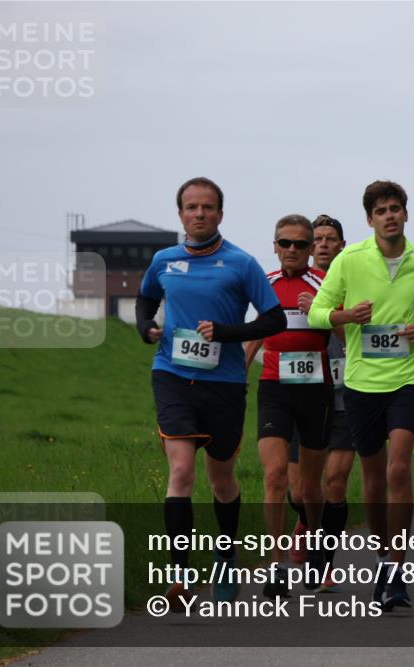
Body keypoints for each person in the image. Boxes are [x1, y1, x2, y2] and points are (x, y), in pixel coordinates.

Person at [135, 177, 286, 606]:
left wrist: (227, 332)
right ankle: (180, 573)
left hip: (224, 384)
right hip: (172, 375)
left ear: (220, 214)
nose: (199, 214)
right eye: (191, 207)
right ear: (180, 213)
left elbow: (273, 320)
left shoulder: (241, 263)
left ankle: (226, 554)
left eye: (207, 207)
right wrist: (146, 328)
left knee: (221, 480)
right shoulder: (164, 259)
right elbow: (145, 301)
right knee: (180, 473)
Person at [308, 181, 414, 610]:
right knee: (372, 481)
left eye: (396, 208)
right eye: (381, 210)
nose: (389, 215)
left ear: (406, 214)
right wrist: (344, 314)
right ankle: (382, 559)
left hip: (408, 380)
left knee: (397, 470)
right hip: (361, 382)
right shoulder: (350, 260)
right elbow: (319, 312)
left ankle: (397, 570)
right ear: (370, 219)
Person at [244, 214, 334, 597]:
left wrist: (319, 309)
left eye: (300, 244)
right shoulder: (265, 284)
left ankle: (316, 549)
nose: (292, 250)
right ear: (275, 246)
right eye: (285, 243)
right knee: (275, 476)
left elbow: (348, 331)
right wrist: (239, 375)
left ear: (312, 247)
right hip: (274, 388)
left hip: (316, 391)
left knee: (309, 490)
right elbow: (254, 334)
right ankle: (277, 567)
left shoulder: (325, 282)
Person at [300, 214, 354, 591]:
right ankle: (306, 521)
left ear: (341, 245)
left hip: (347, 396)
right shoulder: (291, 285)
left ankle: (323, 562)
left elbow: (363, 337)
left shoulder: (354, 285)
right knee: (296, 489)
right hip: (301, 393)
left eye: (330, 239)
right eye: (316, 239)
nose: (322, 244)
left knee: (334, 482)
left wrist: (324, 312)